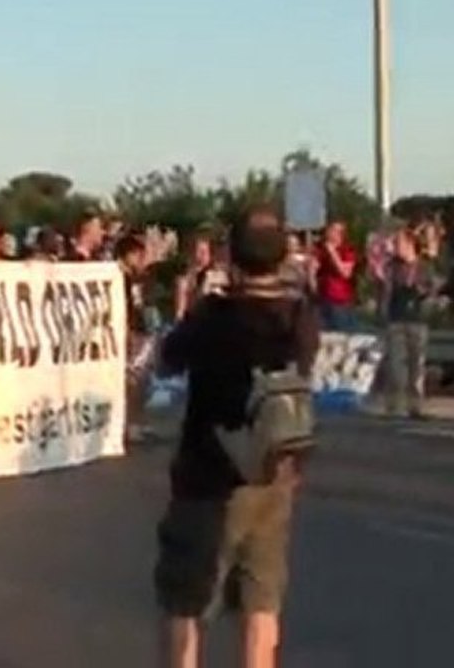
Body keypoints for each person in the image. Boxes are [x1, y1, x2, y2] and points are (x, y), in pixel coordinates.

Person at [155, 205, 320, 668]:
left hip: (206, 473)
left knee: (186, 600)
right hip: (274, 473)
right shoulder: (299, 315)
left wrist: (200, 298)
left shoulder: (215, 315)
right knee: (261, 601)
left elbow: (169, 358)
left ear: (232, 254)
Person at [382, 228, 437, 419]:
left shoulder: (424, 266)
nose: (396, 247)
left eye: (399, 243)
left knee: (416, 367)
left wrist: (424, 291)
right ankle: (394, 406)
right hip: (396, 318)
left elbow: (432, 289)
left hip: (417, 318)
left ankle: (415, 406)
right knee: (396, 365)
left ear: (410, 244)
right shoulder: (393, 267)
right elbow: (384, 283)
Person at [116, 233, 155, 446]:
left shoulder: (136, 278)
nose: (142, 260)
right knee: (132, 379)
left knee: (141, 378)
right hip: (128, 331)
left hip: (139, 329)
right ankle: (129, 423)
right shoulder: (118, 277)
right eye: (139, 255)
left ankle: (136, 421)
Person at [174, 233, 229, 321]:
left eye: (203, 252)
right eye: (196, 251)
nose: (199, 256)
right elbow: (180, 311)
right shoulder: (184, 280)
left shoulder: (219, 276)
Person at [315, 220, 357, 331]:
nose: (331, 233)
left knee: (340, 335)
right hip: (322, 298)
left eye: (336, 231)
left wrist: (332, 252)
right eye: (330, 230)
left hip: (340, 301)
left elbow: (345, 273)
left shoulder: (347, 250)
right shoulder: (320, 249)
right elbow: (314, 271)